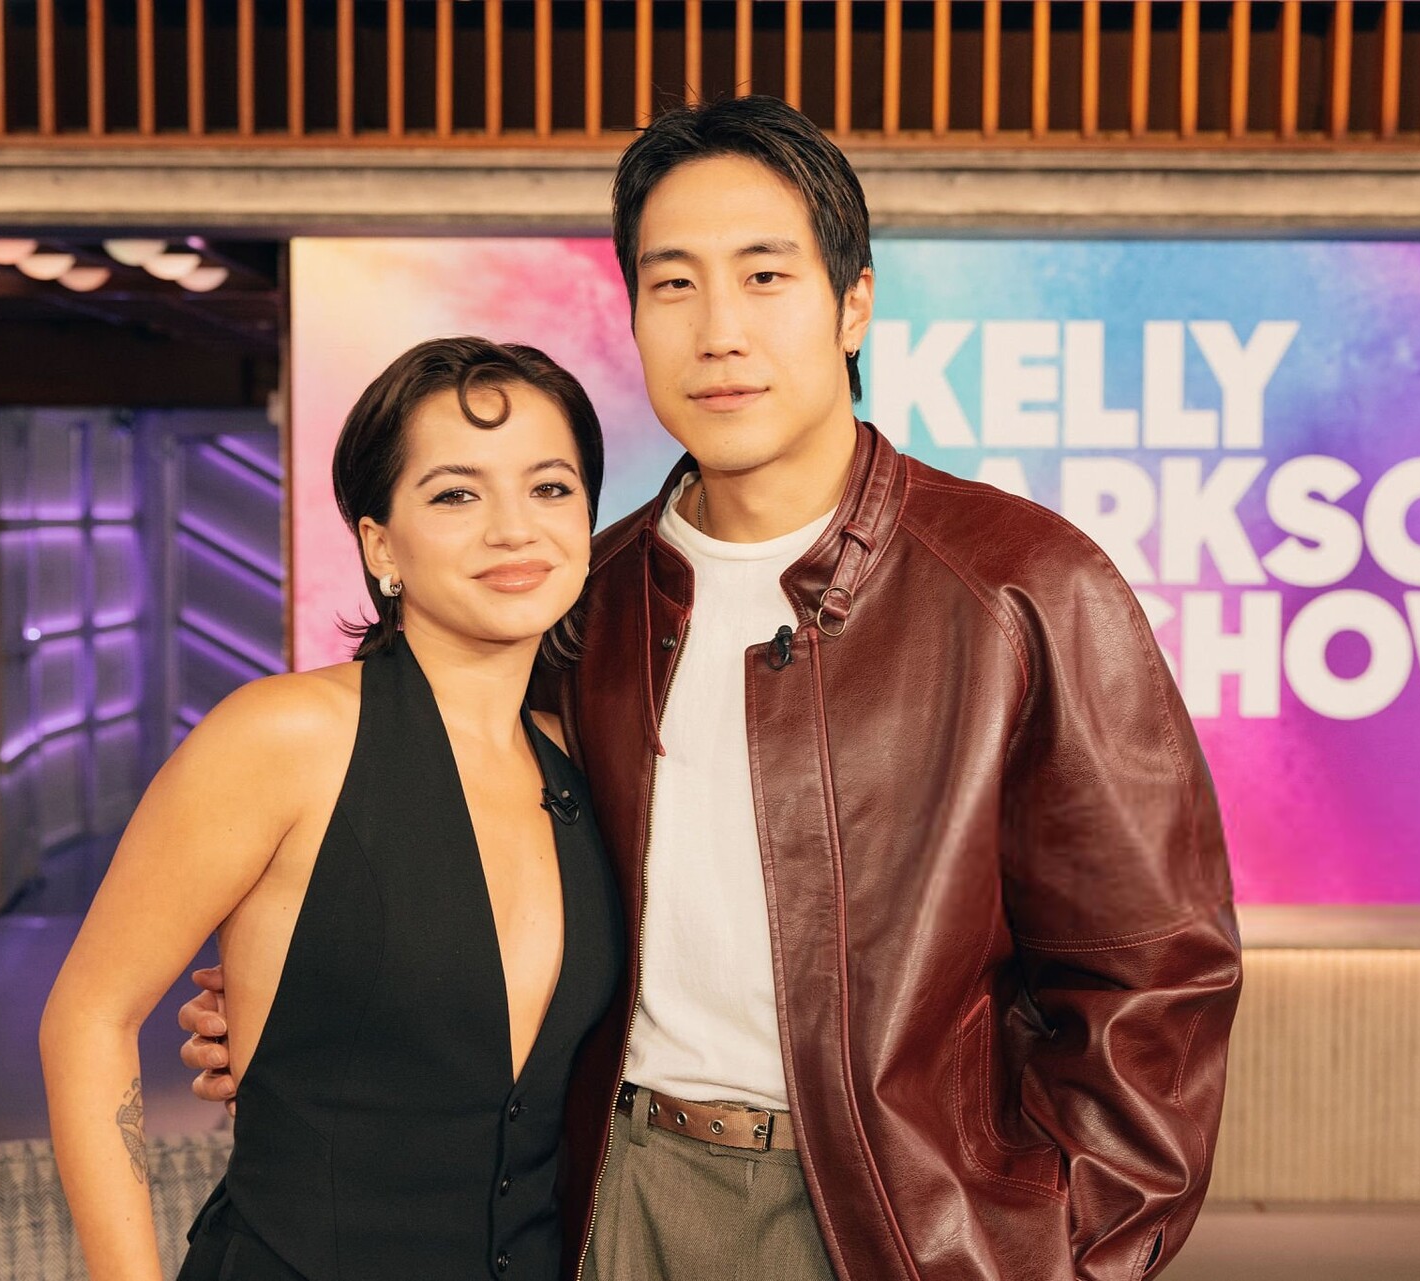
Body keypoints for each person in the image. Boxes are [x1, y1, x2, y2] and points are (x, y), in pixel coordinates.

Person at [183, 96, 1241, 1281]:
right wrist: (313, 996)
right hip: (608, 1195)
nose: (719, 331)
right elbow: (463, 872)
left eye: (765, 277)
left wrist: (1063, 1252)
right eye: (674, 284)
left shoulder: (1024, 587)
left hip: (900, 1219)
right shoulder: (582, 601)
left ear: (853, 304)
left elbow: (1155, 972)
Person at [42, 336, 621, 1281]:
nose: (515, 529)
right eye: (457, 494)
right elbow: (88, 1016)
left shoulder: (586, 761)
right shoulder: (285, 736)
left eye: (550, 487)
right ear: (379, 544)